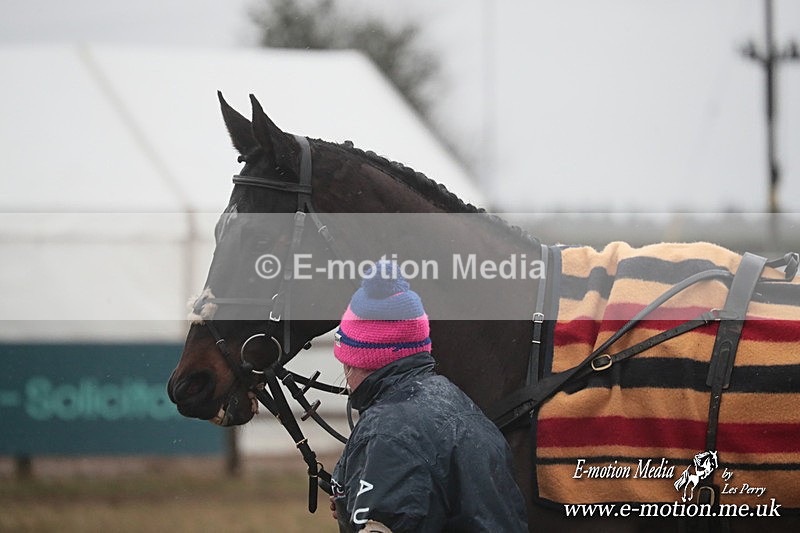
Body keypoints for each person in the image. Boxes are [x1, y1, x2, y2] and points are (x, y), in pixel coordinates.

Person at [329, 260, 529, 532]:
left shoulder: (387, 435)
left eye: (345, 363)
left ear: (362, 359)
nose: (347, 380)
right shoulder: (463, 406)